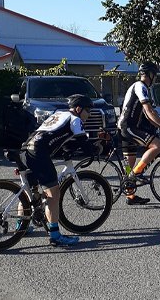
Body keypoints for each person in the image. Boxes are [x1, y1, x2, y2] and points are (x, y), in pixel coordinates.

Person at [19, 94, 101, 247]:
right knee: (53, 192)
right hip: (39, 152)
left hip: (26, 147)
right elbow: (83, 141)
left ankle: (21, 225)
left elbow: (55, 135)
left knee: (30, 188)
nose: (89, 114)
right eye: (88, 110)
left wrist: (67, 149)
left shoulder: (58, 114)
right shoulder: (75, 119)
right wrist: (95, 150)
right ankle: (55, 235)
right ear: (78, 108)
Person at [119, 63, 160, 205]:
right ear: (150, 74)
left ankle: (130, 197)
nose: (155, 78)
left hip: (125, 128)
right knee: (158, 145)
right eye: (154, 75)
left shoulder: (140, 87)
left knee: (128, 167)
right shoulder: (140, 86)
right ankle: (137, 173)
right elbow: (150, 111)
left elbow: (149, 116)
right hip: (128, 127)